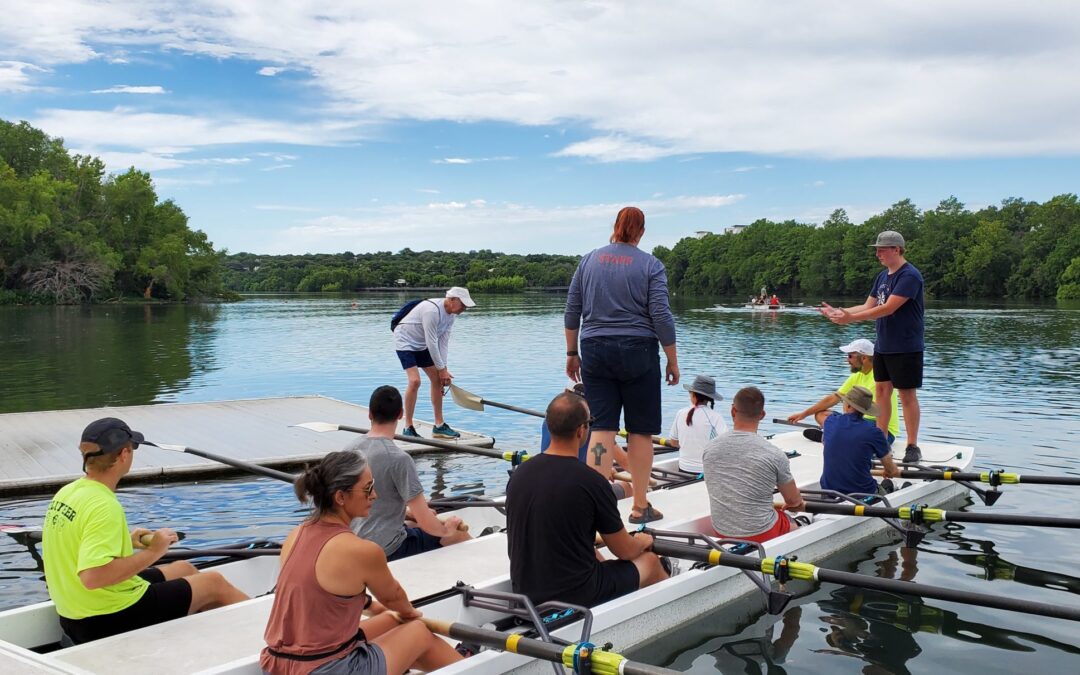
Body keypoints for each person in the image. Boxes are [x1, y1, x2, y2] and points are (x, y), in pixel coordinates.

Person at [42, 418, 248, 645]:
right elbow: (93, 577)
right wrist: (153, 552)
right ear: (124, 454)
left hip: (76, 614)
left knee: (184, 568)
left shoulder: (68, 493)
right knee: (214, 583)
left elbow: (77, 544)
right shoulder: (104, 505)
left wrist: (127, 541)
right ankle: (269, 637)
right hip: (104, 619)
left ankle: (211, 636)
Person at [262, 451, 463, 675]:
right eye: (368, 488)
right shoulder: (362, 550)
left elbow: (322, 592)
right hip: (326, 669)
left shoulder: (294, 535)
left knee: (391, 620)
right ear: (340, 497)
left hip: (277, 664)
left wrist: (381, 611)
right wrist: (411, 615)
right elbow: (394, 598)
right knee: (418, 631)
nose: (374, 495)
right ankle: (472, 667)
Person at [564, 206, 680, 524]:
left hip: (595, 349)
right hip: (638, 352)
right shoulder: (651, 265)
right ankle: (640, 506)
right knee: (640, 432)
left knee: (602, 429)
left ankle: (595, 510)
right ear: (641, 232)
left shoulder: (589, 261)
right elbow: (661, 315)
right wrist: (672, 360)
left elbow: (572, 310)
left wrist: (571, 352)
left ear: (615, 226)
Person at [506, 392, 668, 608]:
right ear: (581, 430)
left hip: (525, 594)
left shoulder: (519, 475)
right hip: (576, 595)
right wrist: (642, 541)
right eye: (590, 423)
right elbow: (625, 550)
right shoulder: (591, 481)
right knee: (650, 562)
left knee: (592, 553)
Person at [820, 231, 925, 464]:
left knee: (907, 395)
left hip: (906, 345)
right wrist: (840, 312)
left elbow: (888, 308)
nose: (877, 254)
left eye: (882, 249)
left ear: (896, 249)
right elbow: (869, 305)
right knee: (882, 392)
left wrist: (851, 319)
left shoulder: (910, 275)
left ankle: (912, 446)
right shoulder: (882, 277)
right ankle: (880, 439)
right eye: (877, 250)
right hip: (884, 345)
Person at [348, 386, 471, 561]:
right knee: (458, 535)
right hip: (387, 550)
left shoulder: (349, 450)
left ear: (369, 414)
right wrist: (448, 529)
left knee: (412, 522)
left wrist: (407, 513)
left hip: (352, 542)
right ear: (400, 414)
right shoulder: (399, 459)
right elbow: (427, 522)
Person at [702, 387, 805, 543]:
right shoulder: (775, 454)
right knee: (795, 523)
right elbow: (793, 502)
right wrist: (796, 502)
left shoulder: (710, 448)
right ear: (762, 415)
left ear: (733, 411)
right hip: (761, 532)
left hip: (721, 530)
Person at [393, 287, 476, 439]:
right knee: (415, 381)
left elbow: (443, 342)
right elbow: (431, 342)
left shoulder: (451, 316)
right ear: (452, 300)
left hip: (422, 344)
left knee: (438, 379)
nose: (464, 308)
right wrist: (441, 369)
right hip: (405, 341)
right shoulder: (431, 311)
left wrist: (444, 369)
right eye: (463, 304)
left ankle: (439, 426)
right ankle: (408, 427)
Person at [787, 338, 899, 444]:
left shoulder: (880, 378)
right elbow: (833, 398)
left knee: (848, 407)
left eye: (850, 356)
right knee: (821, 414)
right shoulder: (858, 375)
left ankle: (834, 435)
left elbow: (879, 413)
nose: (847, 360)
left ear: (864, 358)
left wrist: (847, 421)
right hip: (858, 422)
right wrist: (804, 414)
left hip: (881, 428)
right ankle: (839, 435)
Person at [539, 381, 631, 498]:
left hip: (550, 481)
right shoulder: (591, 427)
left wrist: (604, 466)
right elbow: (625, 462)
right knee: (627, 487)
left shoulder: (550, 420)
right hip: (578, 489)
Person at [816, 386, 901, 496]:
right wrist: (889, 471)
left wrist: (841, 416)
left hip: (829, 490)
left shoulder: (830, 422)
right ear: (866, 410)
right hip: (862, 492)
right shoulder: (875, 433)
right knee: (888, 484)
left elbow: (819, 413)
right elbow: (892, 470)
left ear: (848, 405)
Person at [666, 374, 728, 474]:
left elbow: (674, 442)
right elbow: (725, 445)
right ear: (710, 398)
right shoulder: (716, 417)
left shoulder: (680, 413)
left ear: (693, 395)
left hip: (683, 468)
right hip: (706, 472)